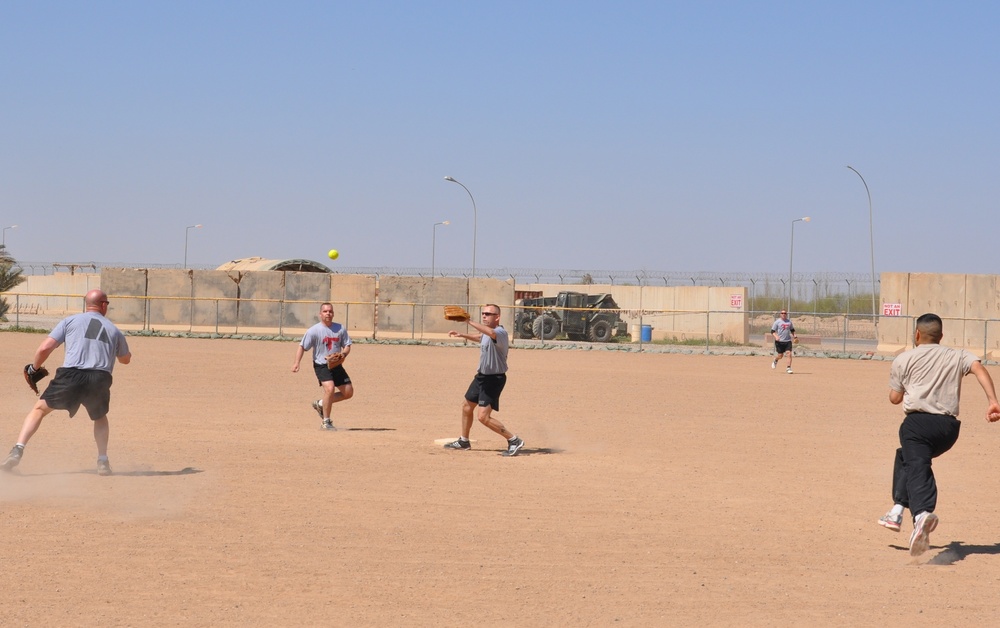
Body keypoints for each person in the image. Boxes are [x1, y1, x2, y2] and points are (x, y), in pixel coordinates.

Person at [876, 313, 1000, 557]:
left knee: (918, 464)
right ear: (941, 336)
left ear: (917, 334)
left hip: (917, 424)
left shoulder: (904, 359)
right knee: (908, 459)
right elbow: (979, 369)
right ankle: (897, 510)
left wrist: (907, 389)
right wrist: (993, 401)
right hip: (947, 429)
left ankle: (921, 514)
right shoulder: (958, 355)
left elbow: (894, 398)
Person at [2, 289, 132, 476]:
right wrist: (125, 354)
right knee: (100, 417)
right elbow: (125, 359)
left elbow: (45, 347)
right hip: (100, 378)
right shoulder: (113, 329)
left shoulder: (70, 321)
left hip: (71, 375)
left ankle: (17, 450)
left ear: (86, 304)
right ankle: (103, 461)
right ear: (103, 305)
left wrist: (34, 368)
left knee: (39, 410)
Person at [443, 304, 525, 457]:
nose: (485, 316)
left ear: (497, 317)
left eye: (489, 313)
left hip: (494, 379)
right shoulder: (487, 333)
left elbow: (490, 333)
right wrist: (462, 335)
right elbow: (481, 337)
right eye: (483, 313)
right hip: (481, 376)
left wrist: (468, 321)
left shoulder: (500, 333)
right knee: (467, 407)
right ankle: (464, 441)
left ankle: (513, 440)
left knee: (483, 417)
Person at [292, 302, 353, 430]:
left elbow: (347, 345)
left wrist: (343, 354)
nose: (328, 313)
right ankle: (326, 422)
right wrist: (297, 362)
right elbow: (302, 346)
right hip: (321, 365)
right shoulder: (314, 330)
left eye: (330, 311)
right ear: (320, 314)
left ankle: (320, 403)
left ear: (333, 313)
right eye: (325, 311)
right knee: (329, 389)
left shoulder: (340, 328)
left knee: (348, 393)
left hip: (336, 365)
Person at [770, 309, 798, 373]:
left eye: (785, 313)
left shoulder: (789, 322)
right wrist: (776, 336)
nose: (783, 314)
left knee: (789, 353)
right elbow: (772, 331)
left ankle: (788, 368)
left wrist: (795, 336)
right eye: (782, 313)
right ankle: (775, 360)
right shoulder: (777, 322)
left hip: (787, 341)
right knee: (780, 355)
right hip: (779, 341)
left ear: (786, 314)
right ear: (780, 314)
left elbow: (792, 330)